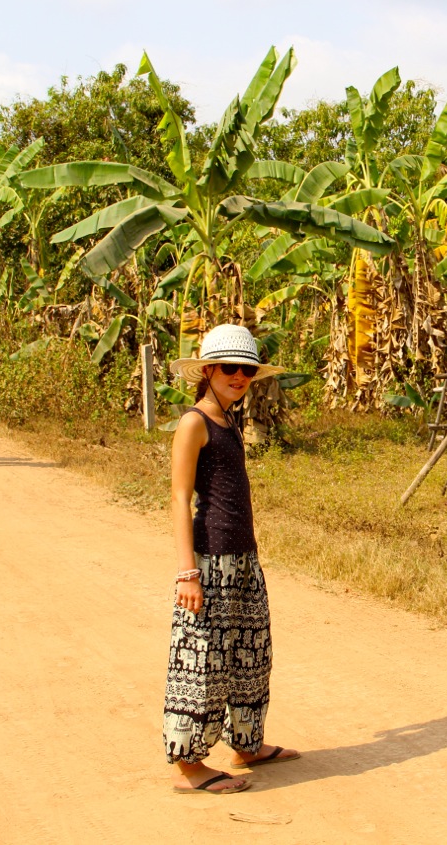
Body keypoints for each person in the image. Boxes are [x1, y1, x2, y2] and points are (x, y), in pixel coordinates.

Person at [163, 324, 300, 795]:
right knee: (203, 663)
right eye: (229, 368)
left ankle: (247, 744)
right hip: (210, 562)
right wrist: (188, 573)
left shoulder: (229, 419)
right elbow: (179, 498)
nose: (239, 377)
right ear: (207, 371)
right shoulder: (194, 423)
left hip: (243, 559)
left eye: (247, 370)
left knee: (250, 655)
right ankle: (189, 766)